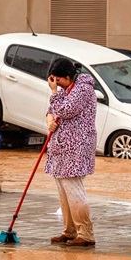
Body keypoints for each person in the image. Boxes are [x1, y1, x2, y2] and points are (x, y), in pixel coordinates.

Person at [45, 57, 97, 246]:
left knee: (74, 189)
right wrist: (49, 119)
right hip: (60, 147)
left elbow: (65, 110)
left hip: (77, 147)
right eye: (54, 81)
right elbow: (52, 110)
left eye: (59, 80)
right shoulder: (68, 90)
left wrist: (54, 92)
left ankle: (85, 234)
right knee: (63, 190)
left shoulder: (83, 89)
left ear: (68, 76)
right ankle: (69, 230)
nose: (57, 84)